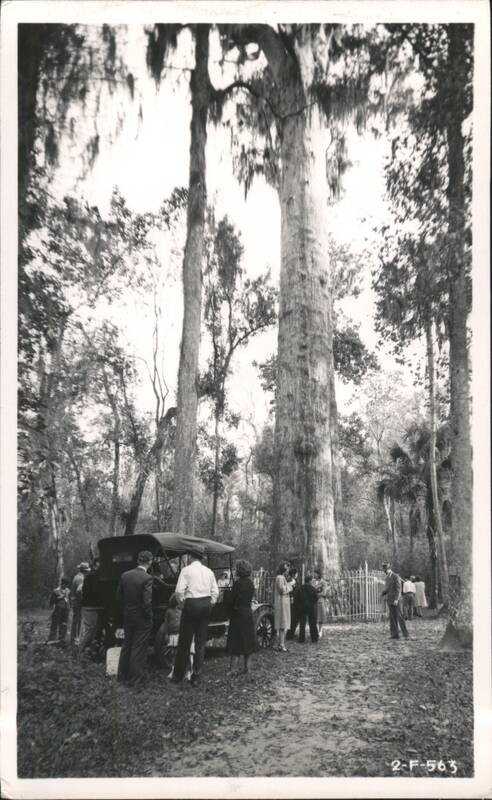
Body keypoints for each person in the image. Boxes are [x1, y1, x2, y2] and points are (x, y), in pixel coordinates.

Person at [171, 544, 219, 686]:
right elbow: (215, 591)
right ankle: (196, 676)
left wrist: (182, 604)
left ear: (191, 557)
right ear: (201, 557)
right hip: (205, 604)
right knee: (200, 642)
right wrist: (210, 603)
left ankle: (178, 676)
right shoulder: (209, 571)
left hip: (191, 604)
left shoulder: (186, 570)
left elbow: (179, 591)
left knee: (184, 641)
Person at [116, 550, 154, 686]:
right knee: (138, 648)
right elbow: (147, 602)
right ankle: (135, 680)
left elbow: (118, 597)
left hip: (127, 615)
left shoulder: (125, 575)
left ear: (138, 561)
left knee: (126, 645)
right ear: (150, 562)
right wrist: (149, 617)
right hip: (141, 618)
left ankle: (121, 675)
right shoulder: (147, 578)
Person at [226, 560, 257, 675]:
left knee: (236, 641)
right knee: (247, 641)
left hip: (238, 614)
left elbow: (232, 600)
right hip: (248, 613)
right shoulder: (251, 583)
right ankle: (247, 668)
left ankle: (233, 669)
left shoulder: (237, 584)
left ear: (239, 570)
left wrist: (229, 610)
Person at [162, 593, 194, 680]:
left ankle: (189, 671)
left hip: (182, 635)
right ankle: (174, 670)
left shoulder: (183, 611)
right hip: (173, 635)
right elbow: (166, 624)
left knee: (187, 654)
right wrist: (166, 634)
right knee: (173, 653)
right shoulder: (169, 612)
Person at [78, 559, 105, 657]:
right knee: (90, 630)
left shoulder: (93, 576)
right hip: (90, 606)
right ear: (94, 565)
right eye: (100, 564)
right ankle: (79, 652)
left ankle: (90, 652)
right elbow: (94, 591)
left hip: (93, 606)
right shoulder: (92, 576)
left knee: (94, 630)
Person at [381, 562, 409, 640]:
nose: (385, 571)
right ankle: (395, 634)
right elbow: (388, 588)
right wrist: (384, 593)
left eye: (386, 570)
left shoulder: (396, 576)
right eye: (384, 570)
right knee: (392, 617)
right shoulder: (387, 578)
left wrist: (396, 599)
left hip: (397, 600)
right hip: (390, 600)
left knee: (400, 617)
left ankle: (405, 634)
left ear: (389, 569)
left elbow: (398, 589)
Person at [274, 561, 294, 652]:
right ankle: (281, 644)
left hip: (282, 602)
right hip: (282, 602)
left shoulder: (280, 577)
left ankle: (280, 643)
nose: (287, 571)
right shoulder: (280, 577)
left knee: (282, 623)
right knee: (282, 623)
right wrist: (290, 585)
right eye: (287, 569)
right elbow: (282, 590)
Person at [70, 562, 90, 644]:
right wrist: (83, 600)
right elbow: (79, 591)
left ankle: (73, 638)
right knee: (78, 621)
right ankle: (76, 639)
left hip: (75, 601)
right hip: (78, 602)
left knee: (76, 620)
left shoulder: (76, 577)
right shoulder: (81, 579)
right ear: (85, 571)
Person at [47, 578, 71, 644]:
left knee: (64, 624)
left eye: (66, 585)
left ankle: (61, 639)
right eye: (64, 585)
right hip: (58, 609)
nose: (65, 586)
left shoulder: (68, 591)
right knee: (55, 624)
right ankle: (51, 639)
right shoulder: (56, 591)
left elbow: (69, 600)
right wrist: (59, 598)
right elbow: (51, 602)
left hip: (66, 609)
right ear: (62, 584)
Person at [298, 574, 319, 644]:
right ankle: (314, 638)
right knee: (312, 623)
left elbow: (297, 598)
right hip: (310, 607)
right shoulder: (313, 589)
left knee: (302, 623)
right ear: (310, 581)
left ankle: (301, 638)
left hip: (302, 607)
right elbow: (316, 598)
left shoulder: (300, 588)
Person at [286, 567, 301, 641]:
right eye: (296, 573)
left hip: (296, 600)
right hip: (291, 600)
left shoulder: (295, 580)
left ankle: (292, 632)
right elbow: (289, 590)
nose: (297, 575)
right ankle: (289, 635)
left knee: (295, 618)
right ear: (293, 574)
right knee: (292, 618)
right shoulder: (289, 580)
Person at [313, 569, 329, 639]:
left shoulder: (323, 582)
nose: (315, 575)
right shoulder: (313, 581)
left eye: (316, 573)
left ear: (319, 574)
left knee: (320, 616)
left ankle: (320, 631)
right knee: (315, 616)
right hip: (313, 601)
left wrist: (316, 594)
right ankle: (315, 631)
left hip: (320, 601)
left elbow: (324, 593)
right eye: (314, 574)